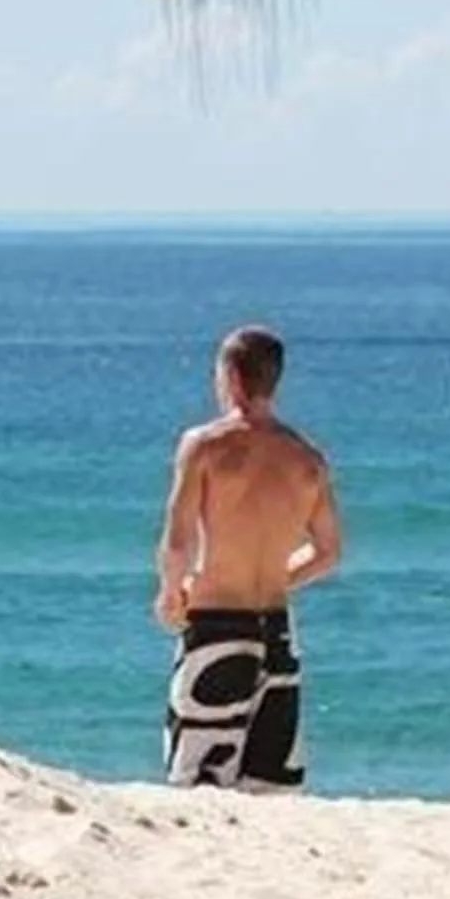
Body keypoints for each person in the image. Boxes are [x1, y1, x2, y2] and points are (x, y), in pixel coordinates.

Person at [153, 325, 342, 791]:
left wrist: (172, 593)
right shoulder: (307, 459)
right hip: (277, 631)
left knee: (197, 786)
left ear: (232, 377)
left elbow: (178, 541)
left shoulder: (204, 446)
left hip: (217, 625)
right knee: (271, 790)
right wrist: (280, 574)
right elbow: (329, 552)